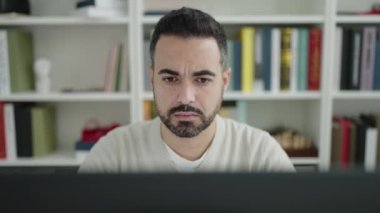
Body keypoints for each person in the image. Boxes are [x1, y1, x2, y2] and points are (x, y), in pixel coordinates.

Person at [79, 7, 295, 173]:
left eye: (202, 79)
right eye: (171, 78)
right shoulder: (114, 154)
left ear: (225, 81)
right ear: (152, 78)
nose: (186, 97)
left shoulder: (261, 155)